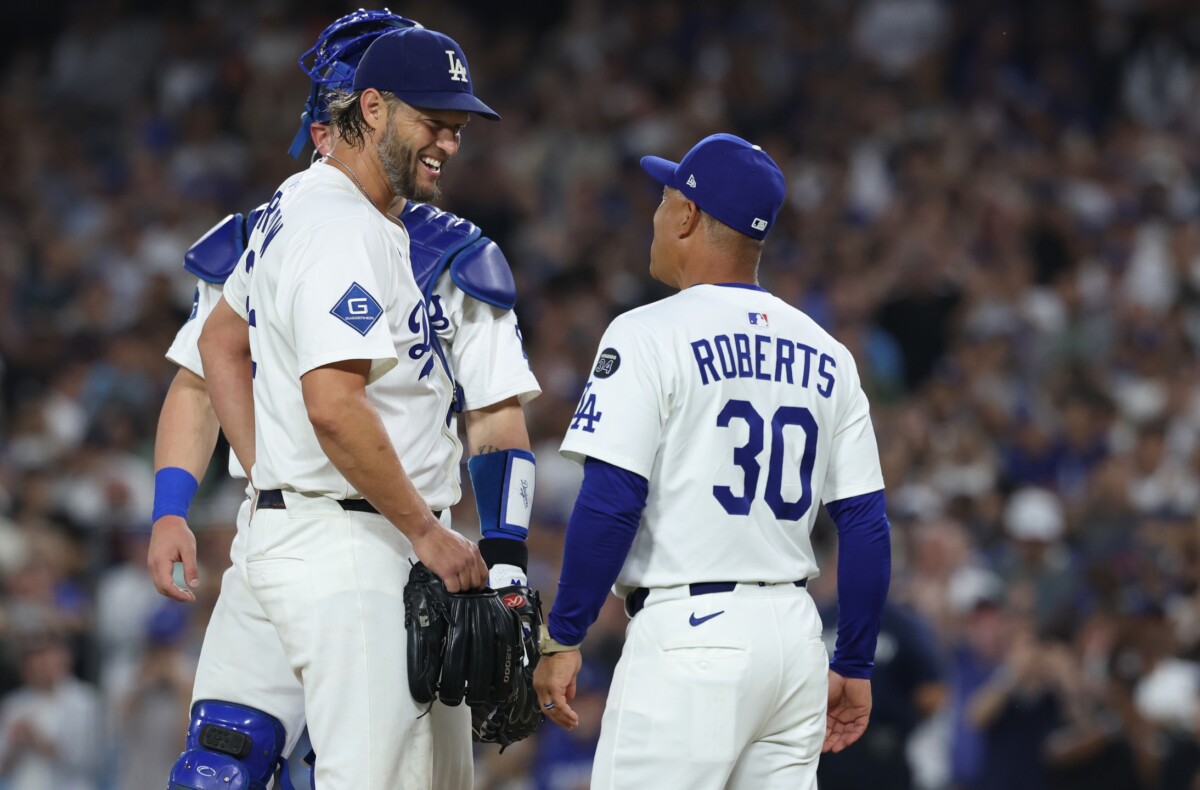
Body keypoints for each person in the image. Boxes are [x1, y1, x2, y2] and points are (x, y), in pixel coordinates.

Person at [149, 11, 540, 790]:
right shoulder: (343, 229)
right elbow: (329, 404)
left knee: (222, 768)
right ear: (368, 107)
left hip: (292, 532)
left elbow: (222, 343)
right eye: (435, 122)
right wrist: (432, 534)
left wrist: (267, 475)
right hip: (367, 549)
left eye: (458, 127)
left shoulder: (296, 209)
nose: (451, 143)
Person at [532, 133, 892, 789]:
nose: (655, 214)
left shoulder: (648, 332)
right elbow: (866, 525)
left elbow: (611, 502)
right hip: (793, 640)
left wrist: (565, 633)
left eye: (665, 198)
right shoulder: (828, 353)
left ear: (689, 216)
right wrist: (857, 663)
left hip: (690, 639)